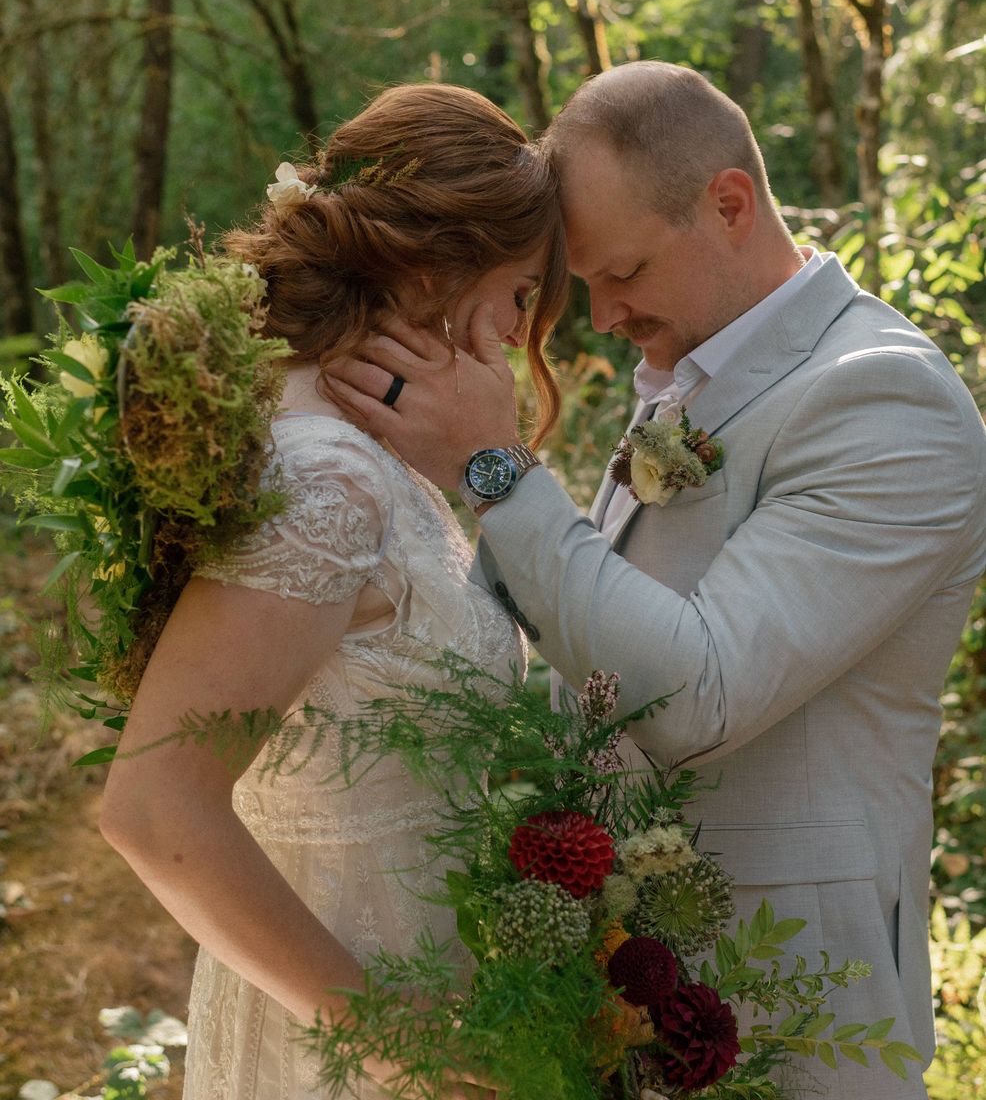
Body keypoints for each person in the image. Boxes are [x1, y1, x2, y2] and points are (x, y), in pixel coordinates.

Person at [324, 61, 986, 1099]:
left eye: (619, 273)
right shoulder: (687, 381)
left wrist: (494, 469)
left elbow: (697, 695)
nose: (599, 316)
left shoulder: (882, 400)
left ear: (725, 204)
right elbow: (586, 644)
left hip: (793, 988)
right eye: (579, 283)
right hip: (636, 977)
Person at [99, 82, 569, 1100]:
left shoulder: (369, 453)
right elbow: (151, 803)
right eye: (522, 294)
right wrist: (395, 1045)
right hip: (343, 1039)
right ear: (435, 263)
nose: (516, 332)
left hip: (417, 976)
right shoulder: (325, 477)